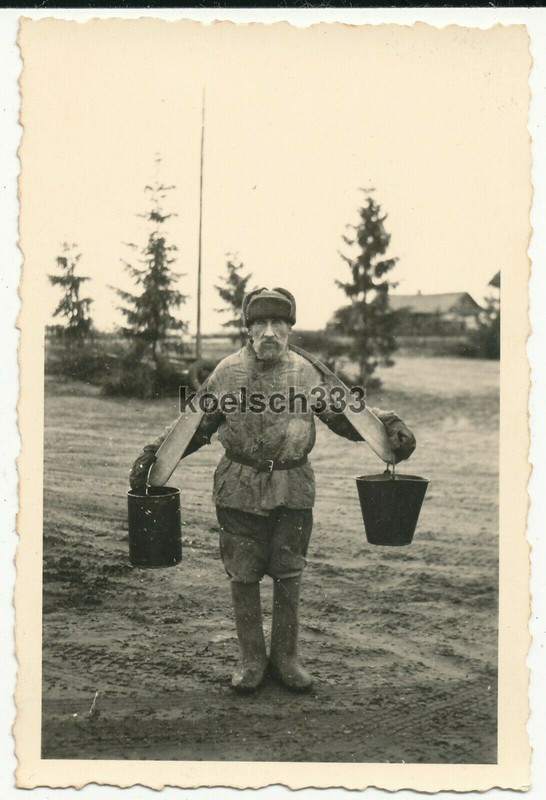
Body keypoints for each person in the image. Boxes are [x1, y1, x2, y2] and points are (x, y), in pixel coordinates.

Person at [130, 288, 416, 693]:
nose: (269, 332)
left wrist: (390, 426)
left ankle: (286, 658)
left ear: (289, 328)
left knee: (289, 571)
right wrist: (151, 455)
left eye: (277, 324)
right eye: (259, 324)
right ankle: (251, 660)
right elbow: (192, 426)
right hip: (238, 488)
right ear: (247, 330)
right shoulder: (226, 374)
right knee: (243, 574)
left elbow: (346, 415)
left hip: (294, 488)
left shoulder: (307, 374)